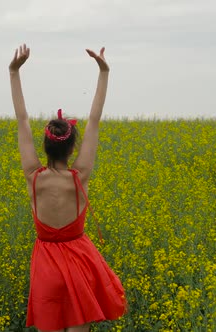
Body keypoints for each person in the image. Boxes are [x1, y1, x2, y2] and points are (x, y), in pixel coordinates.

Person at [9, 43, 127, 332]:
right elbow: (95, 121)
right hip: (79, 262)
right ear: (72, 147)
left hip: (46, 264)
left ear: (45, 145)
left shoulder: (33, 177)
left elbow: (22, 119)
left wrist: (14, 71)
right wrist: (104, 72)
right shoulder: (80, 176)